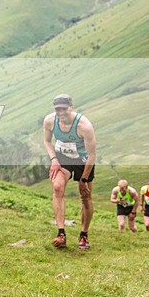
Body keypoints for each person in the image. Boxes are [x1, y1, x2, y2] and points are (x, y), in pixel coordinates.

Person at [43, 94, 97, 250]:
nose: (60, 112)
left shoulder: (84, 126)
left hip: (83, 160)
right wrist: (54, 159)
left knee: (85, 196)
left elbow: (92, 155)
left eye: (64, 109)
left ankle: (84, 234)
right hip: (62, 157)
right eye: (57, 109)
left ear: (71, 108)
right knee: (57, 187)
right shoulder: (49, 121)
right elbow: (47, 141)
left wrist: (84, 179)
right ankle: (61, 233)